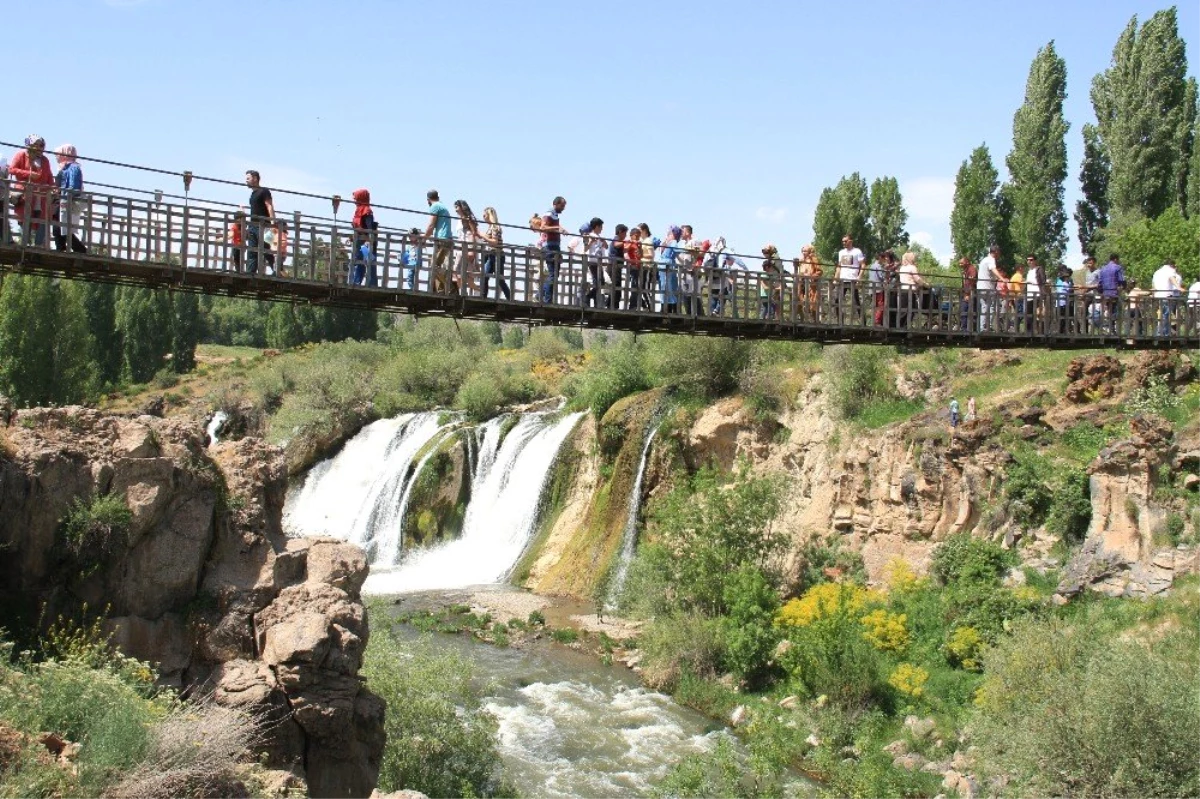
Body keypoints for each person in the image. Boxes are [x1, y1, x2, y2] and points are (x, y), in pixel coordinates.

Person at [9, 135, 55, 246]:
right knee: (25, 219)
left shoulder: (44, 160)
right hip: (25, 193)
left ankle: (38, 246)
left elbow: (49, 177)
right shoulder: (21, 155)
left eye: (41, 145)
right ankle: (25, 244)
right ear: (30, 145)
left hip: (41, 195)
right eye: (36, 144)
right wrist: (29, 174)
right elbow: (12, 169)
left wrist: (53, 189)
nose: (39, 147)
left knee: (42, 219)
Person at [52, 144, 87, 253]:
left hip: (67, 199)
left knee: (61, 225)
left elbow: (73, 186)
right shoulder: (64, 167)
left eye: (58, 154)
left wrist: (66, 198)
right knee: (59, 225)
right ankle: (63, 247)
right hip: (61, 199)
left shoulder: (73, 167)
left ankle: (77, 249)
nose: (56, 157)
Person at [243, 170, 275, 275]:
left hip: (263, 225)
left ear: (255, 178)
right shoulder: (252, 194)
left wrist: (273, 222)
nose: (246, 180)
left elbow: (269, 206)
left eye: (248, 178)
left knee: (266, 249)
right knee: (252, 250)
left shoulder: (264, 191)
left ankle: (277, 270)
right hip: (253, 225)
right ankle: (250, 272)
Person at [423, 190, 454, 293]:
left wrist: (424, 239)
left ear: (428, 199)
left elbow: (431, 225)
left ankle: (451, 287)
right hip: (447, 238)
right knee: (438, 265)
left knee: (433, 266)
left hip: (442, 238)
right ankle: (440, 290)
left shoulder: (435, 207)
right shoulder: (442, 206)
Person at [540, 196, 566, 303]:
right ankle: (547, 299)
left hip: (555, 245)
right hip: (550, 246)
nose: (563, 208)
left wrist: (560, 228)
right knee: (553, 274)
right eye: (562, 205)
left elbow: (554, 226)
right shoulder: (549, 213)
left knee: (555, 274)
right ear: (556, 204)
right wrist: (557, 228)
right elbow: (543, 227)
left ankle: (540, 294)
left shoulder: (554, 214)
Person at [481, 207, 511, 300]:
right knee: (487, 277)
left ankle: (508, 298)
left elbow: (494, 242)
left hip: (496, 255)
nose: (483, 217)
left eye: (484, 215)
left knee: (498, 279)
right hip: (491, 255)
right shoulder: (491, 228)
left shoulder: (495, 227)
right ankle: (484, 297)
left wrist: (482, 235)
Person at [453, 200, 483, 294]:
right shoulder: (459, 219)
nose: (455, 210)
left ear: (462, 207)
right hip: (461, 247)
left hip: (468, 247)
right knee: (458, 274)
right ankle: (464, 292)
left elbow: (474, 234)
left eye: (457, 207)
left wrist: (472, 250)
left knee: (464, 274)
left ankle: (479, 292)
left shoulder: (468, 218)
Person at [835, 234, 865, 323]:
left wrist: (859, 277)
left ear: (850, 241)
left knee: (856, 302)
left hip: (853, 280)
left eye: (845, 241)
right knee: (837, 301)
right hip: (842, 280)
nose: (844, 243)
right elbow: (839, 266)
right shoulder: (841, 252)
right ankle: (840, 321)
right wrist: (835, 278)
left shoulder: (857, 251)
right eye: (843, 241)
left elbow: (863, 265)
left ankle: (863, 322)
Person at [1152, 258, 1183, 336]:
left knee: (1161, 314)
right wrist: (1179, 288)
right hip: (1166, 296)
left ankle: (1160, 332)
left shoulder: (1157, 272)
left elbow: (1153, 285)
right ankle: (1164, 333)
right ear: (1171, 265)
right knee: (1166, 315)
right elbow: (1172, 279)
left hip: (1158, 295)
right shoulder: (1169, 270)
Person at [1097, 253, 1126, 333]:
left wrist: (1101, 292)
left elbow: (1100, 283)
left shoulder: (1103, 269)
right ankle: (1114, 330)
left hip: (1105, 294)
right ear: (1116, 259)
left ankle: (1109, 329)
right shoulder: (1118, 267)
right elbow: (1122, 280)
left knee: (1109, 310)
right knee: (1116, 311)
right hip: (1114, 293)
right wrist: (1124, 288)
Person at [898, 251, 926, 328]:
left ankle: (902, 326)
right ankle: (905, 326)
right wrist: (925, 284)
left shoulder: (902, 268)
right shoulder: (912, 267)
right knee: (911, 310)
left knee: (904, 310)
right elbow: (917, 278)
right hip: (910, 291)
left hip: (903, 290)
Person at [977, 245, 1001, 331]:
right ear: (996, 252)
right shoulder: (991, 259)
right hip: (987, 287)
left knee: (984, 306)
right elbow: (993, 269)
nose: (999, 254)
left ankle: (982, 327)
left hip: (980, 287)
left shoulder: (984, 260)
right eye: (999, 252)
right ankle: (988, 326)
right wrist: (1002, 279)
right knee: (991, 306)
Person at [796, 244, 822, 322]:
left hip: (811, 284)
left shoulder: (813, 259)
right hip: (802, 283)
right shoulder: (801, 261)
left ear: (810, 251)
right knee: (800, 301)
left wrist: (812, 276)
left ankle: (815, 321)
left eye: (805, 251)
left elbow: (819, 271)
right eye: (803, 251)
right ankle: (802, 319)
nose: (804, 252)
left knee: (812, 303)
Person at [607, 224, 628, 309]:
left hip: (616, 265)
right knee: (616, 286)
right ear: (620, 232)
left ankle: (611, 304)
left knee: (617, 286)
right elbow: (616, 244)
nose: (625, 235)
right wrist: (626, 242)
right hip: (614, 265)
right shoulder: (616, 238)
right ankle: (612, 305)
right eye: (625, 233)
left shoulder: (619, 241)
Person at [759, 245, 782, 320]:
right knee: (769, 306)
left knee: (774, 303)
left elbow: (777, 270)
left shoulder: (774, 259)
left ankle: (776, 318)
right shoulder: (770, 261)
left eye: (765, 252)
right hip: (771, 286)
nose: (764, 254)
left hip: (776, 280)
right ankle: (770, 318)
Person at [623, 225, 643, 310]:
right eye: (636, 235)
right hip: (632, 266)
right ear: (632, 235)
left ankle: (634, 305)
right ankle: (632, 305)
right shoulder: (629, 242)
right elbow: (625, 251)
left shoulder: (638, 243)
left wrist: (640, 248)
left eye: (639, 236)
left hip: (638, 266)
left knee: (637, 286)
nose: (638, 237)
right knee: (633, 285)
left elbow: (641, 255)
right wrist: (632, 242)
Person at [958, 256, 978, 332]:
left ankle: (971, 330)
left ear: (967, 262)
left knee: (971, 312)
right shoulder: (965, 271)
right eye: (959, 263)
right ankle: (964, 329)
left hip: (970, 294)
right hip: (965, 294)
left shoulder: (971, 269)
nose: (960, 265)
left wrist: (967, 293)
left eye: (961, 263)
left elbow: (972, 282)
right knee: (964, 311)